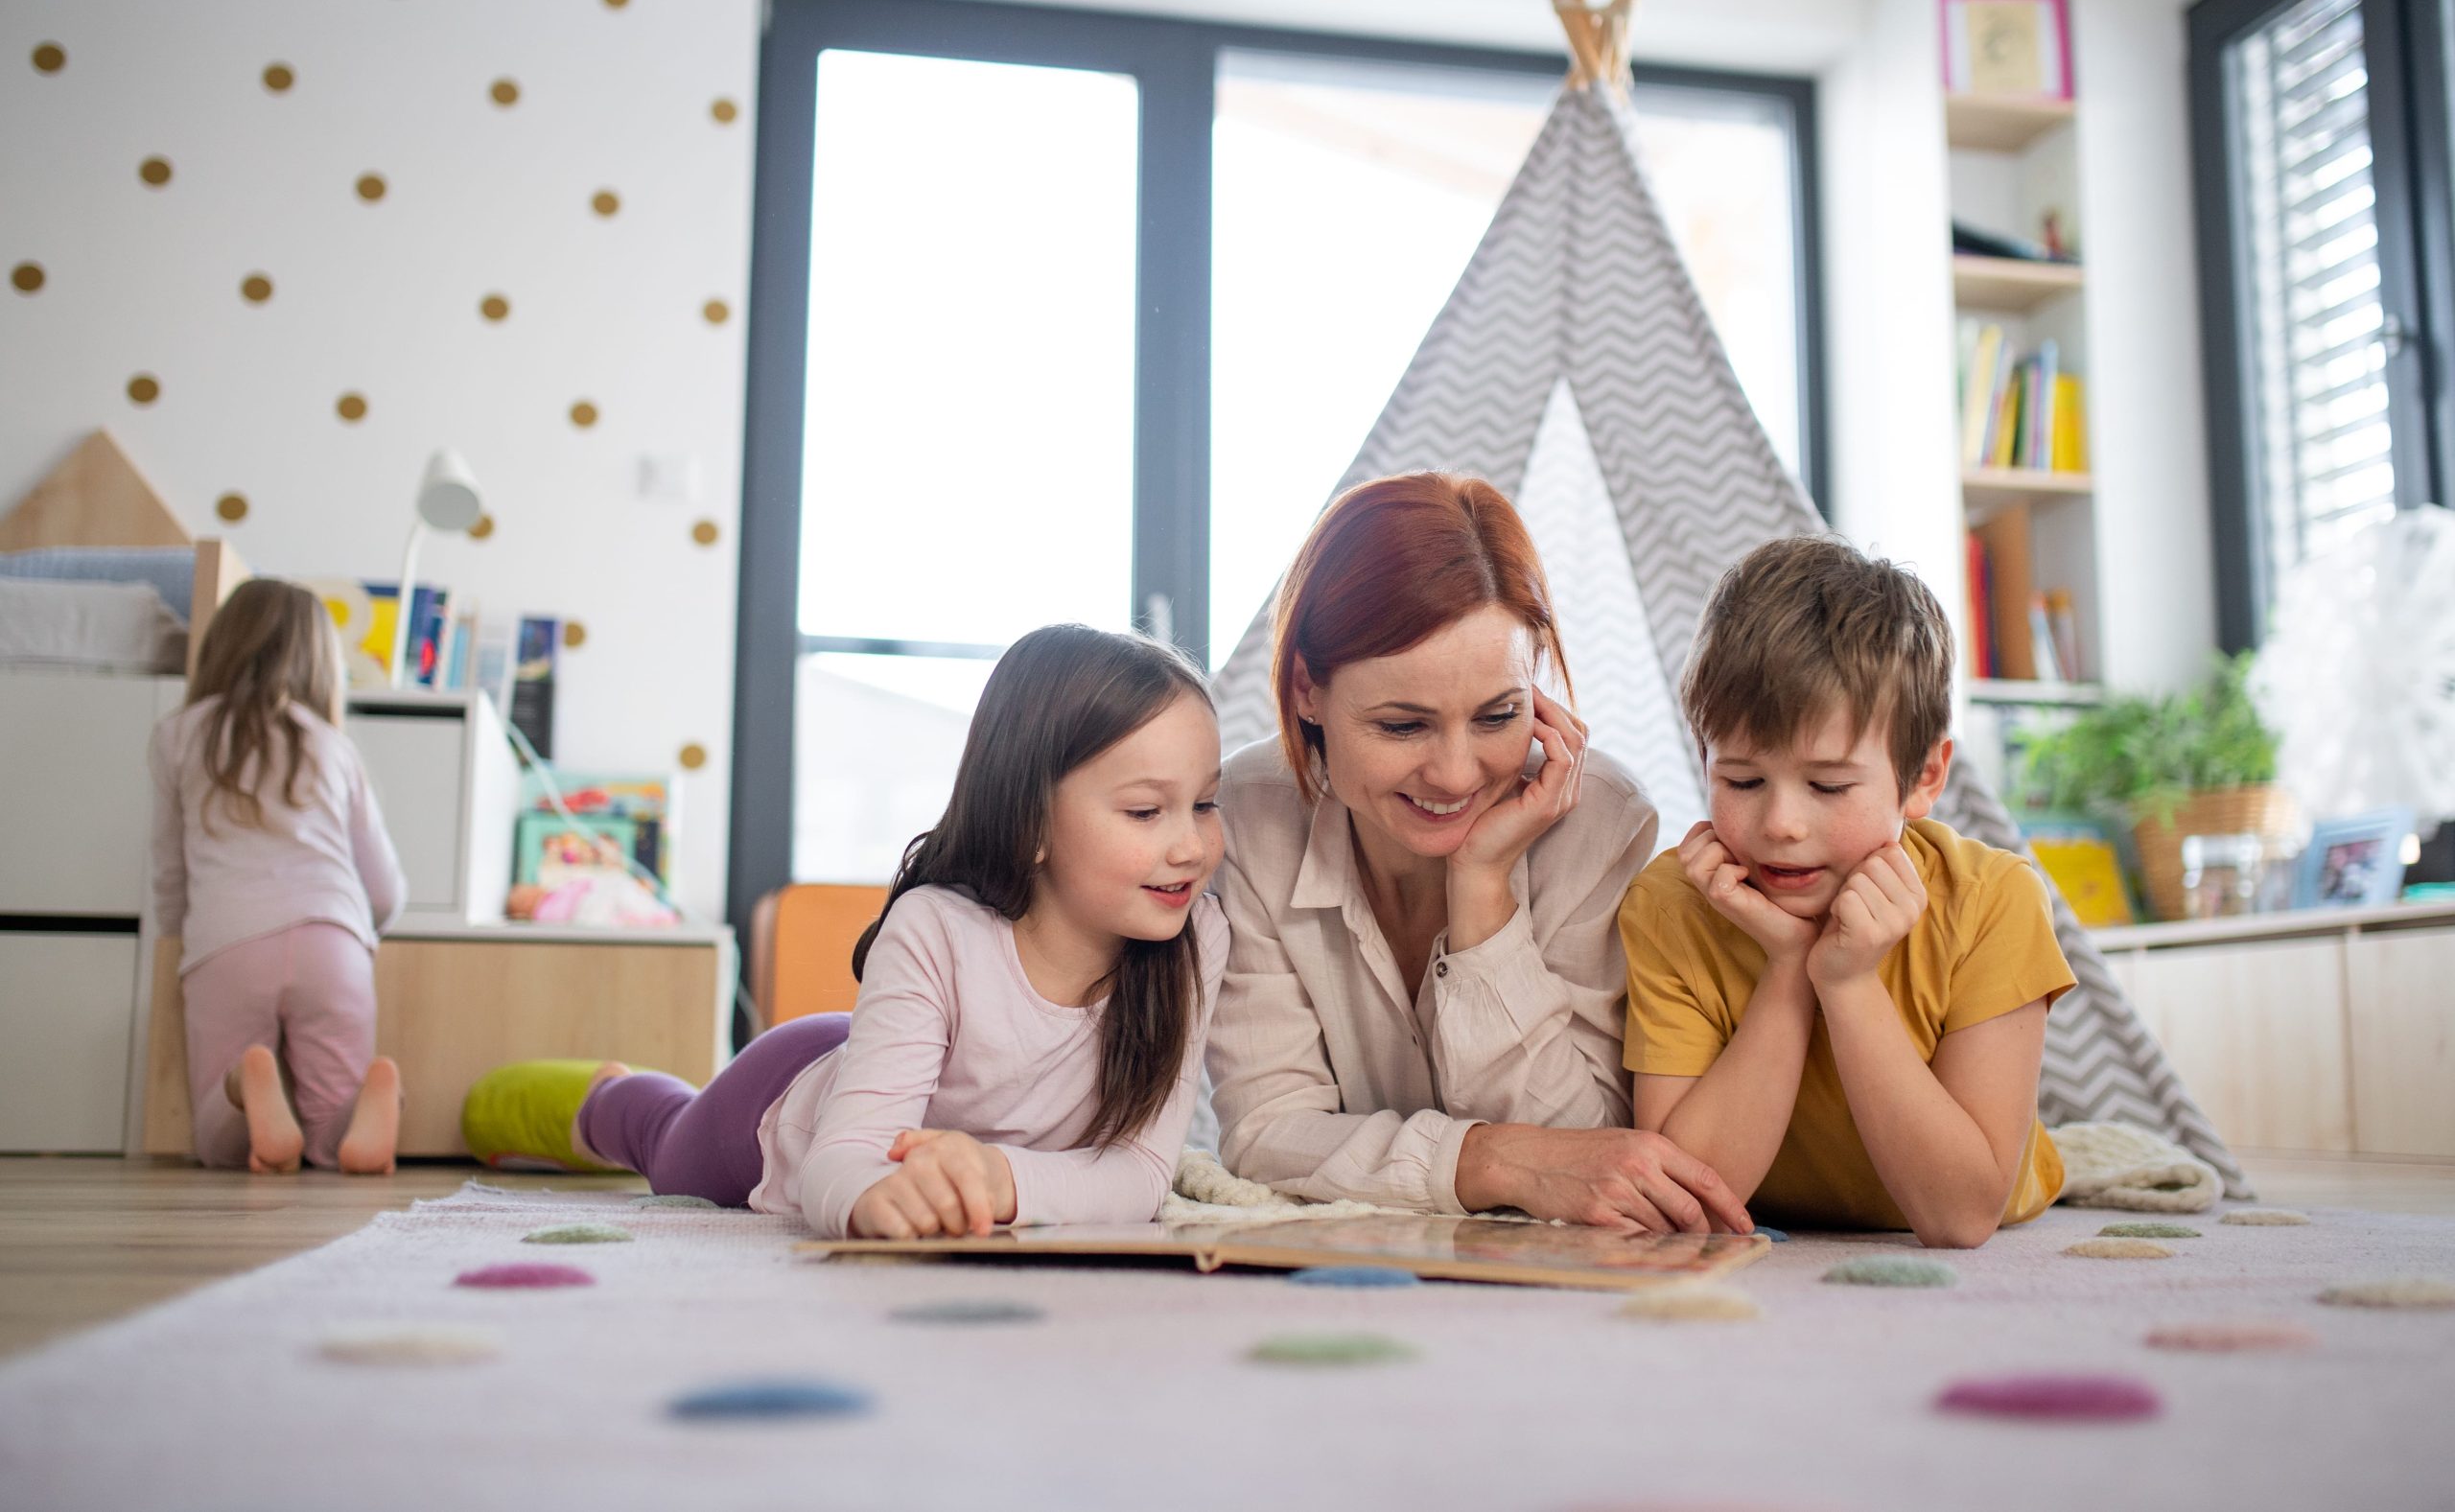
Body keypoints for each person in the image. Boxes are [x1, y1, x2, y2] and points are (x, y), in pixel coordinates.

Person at [1211, 472, 1749, 1234]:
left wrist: (1483, 888)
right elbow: (1267, 1134)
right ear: (1306, 689)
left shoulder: (1599, 821)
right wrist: (1491, 1162)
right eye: (1403, 726)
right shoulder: (1247, 814)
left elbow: (1586, 1141)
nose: (1457, 774)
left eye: (1499, 715)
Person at [567, 624, 1229, 1240]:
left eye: (1204, 804)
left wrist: (998, 1179)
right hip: (778, 1102)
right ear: (1030, 823)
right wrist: (868, 1196)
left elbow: (1140, 1173)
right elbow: (843, 1161)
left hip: (883, 1057)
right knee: (663, 1145)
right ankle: (609, 1094)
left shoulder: (1195, 939)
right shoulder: (937, 929)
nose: (1191, 847)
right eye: (1146, 811)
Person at [1622, 534, 2075, 1246]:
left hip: (1969, 1204)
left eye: (1828, 785)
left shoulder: (1994, 899)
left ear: (1924, 778)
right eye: (1741, 781)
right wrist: (1786, 969)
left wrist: (1849, 980)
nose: (1781, 825)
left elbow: (1959, 1216)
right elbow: (1691, 1201)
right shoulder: (1672, 902)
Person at [149, 578, 407, 1175]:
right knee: (330, 1126)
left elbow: (169, 869)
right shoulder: (334, 746)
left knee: (219, 1145)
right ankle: (369, 1108)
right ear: (321, 663)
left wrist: (179, 940)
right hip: (332, 939)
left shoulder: (180, 734)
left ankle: (245, 1083)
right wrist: (366, 931)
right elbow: (385, 888)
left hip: (228, 939)